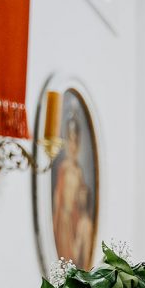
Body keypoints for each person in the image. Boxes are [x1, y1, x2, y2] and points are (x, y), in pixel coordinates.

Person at [51, 112, 93, 267]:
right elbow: (58, 197)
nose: (73, 146)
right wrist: (55, 222)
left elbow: (81, 199)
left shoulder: (78, 171)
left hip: (74, 218)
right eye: (70, 141)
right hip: (64, 220)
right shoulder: (64, 168)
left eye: (76, 142)